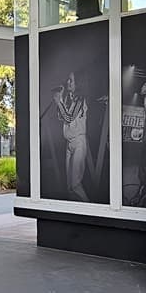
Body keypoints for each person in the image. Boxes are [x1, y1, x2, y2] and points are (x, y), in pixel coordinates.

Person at [55, 71, 90, 202]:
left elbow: (69, 117)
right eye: (68, 80)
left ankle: (88, 209)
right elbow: (61, 117)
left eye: (71, 80)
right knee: (69, 186)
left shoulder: (80, 99)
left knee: (75, 184)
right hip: (69, 143)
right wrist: (61, 99)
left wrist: (59, 103)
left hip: (79, 142)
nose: (68, 82)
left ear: (78, 83)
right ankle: (75, 210)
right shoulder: (69, 98)